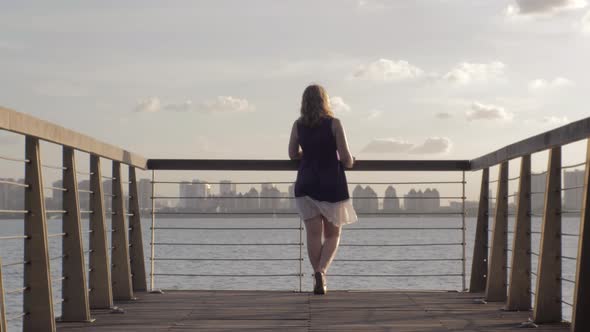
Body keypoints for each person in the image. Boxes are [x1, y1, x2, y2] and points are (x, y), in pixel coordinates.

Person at [288, 84, 358, 295]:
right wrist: (351, 161)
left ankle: (318, 277)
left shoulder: (298, 125)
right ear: (325, 101)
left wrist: (309, 155)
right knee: (333, 234)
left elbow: (292, 154)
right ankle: (322, 271)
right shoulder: (334, 124)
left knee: (313, 235)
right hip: (331, 184)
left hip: (306, 184)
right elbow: (346, 160)